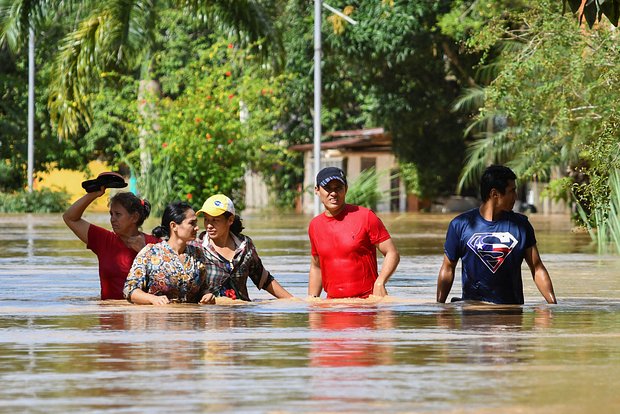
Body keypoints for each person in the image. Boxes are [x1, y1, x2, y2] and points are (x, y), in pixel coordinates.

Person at [437, 165, 557, 305]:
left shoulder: (521, 225)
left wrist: (552, 306)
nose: (516, 196)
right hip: (473, 315)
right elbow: (447, 268)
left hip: (511, 313)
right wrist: (440, 308)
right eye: (512, 191)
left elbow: (537, 268)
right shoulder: (460, 225)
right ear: (495, 194)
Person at [308, 167, 400, 299]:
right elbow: (316, 267)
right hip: (332, 307)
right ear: (317, 190)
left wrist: (380, 282)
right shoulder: (314, 225)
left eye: (338, 188)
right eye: (328, 188)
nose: (333, 193)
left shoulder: (366, 216)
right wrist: (312, 303)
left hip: (366, 305)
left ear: (346, 189)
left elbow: (392, 253)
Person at [63, 185, 159, 300]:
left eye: (118, 214)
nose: (112, 219)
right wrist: (93, 194)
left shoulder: (154, 244)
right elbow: (70, 217)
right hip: (108, 315)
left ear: (134, 217)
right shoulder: (104, 240)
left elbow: (169, 278)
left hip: (140, 316)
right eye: (111, 214)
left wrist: (144, 251)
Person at [196, 194, 293, 301]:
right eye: (206, 220)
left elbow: (264, 279)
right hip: (210, 314)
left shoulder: (245, 246)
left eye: (215, 220)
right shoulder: (197, 248)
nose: (209, 225)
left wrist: (293, 300)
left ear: (230, 220)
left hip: (241, 313)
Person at [123, 201, 214, 305]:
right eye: (192, 223)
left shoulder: (197, 253)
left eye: (196, 223)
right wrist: (152, 299)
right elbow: (129, 290)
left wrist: (207, 295)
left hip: (191, 319)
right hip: (158, 318)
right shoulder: (150, 253)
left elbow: (203, 288)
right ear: (174, 226)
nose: (197, 227)